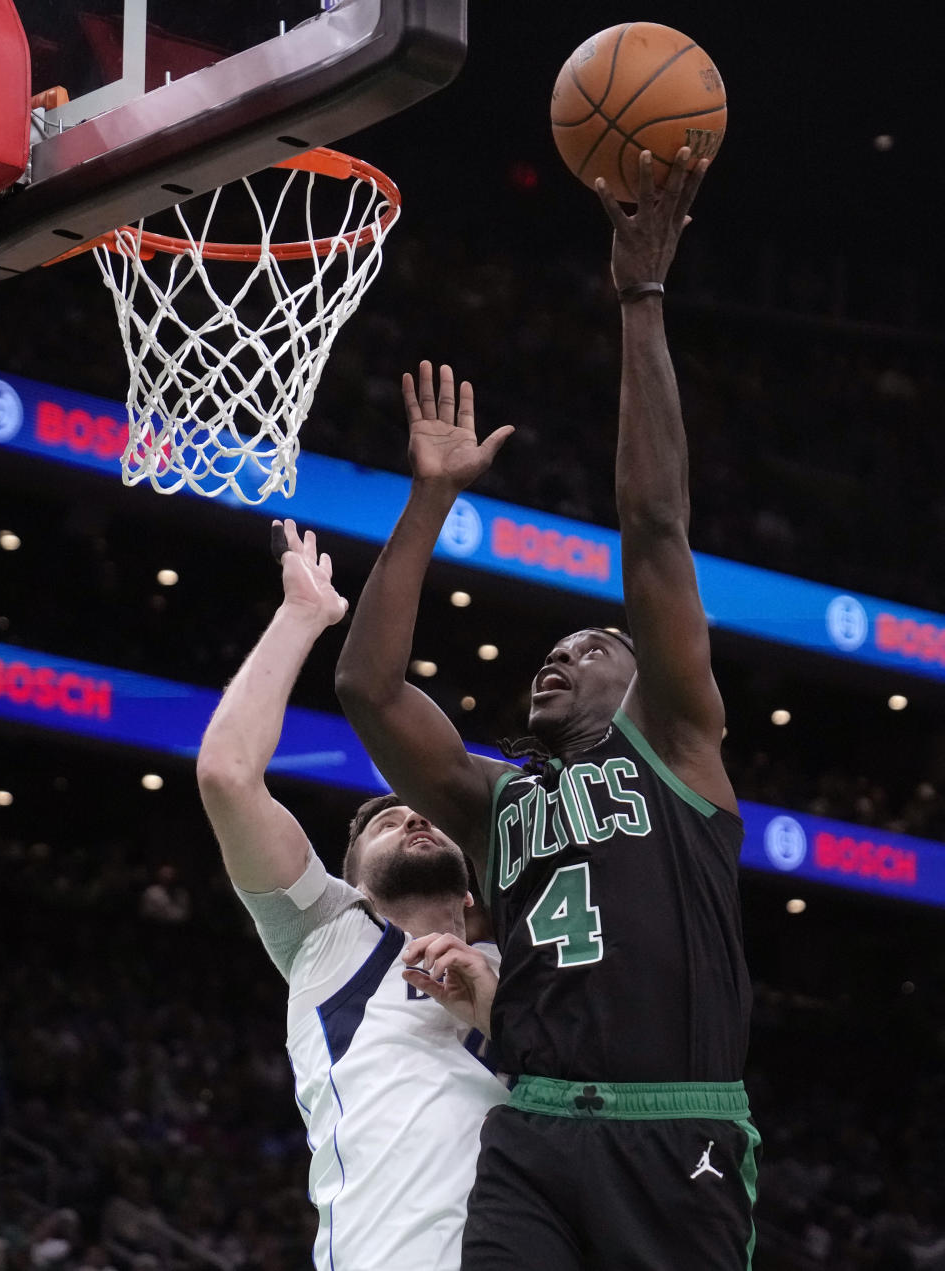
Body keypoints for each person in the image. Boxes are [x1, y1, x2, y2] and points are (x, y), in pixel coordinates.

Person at [335, 147, 759, 1270]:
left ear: (644, 676)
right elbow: (365, 689)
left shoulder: (675, 746)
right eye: (552, 648)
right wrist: (427, 501)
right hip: (532, 1122)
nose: (559, 656)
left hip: (675, 1130)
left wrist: (639, 297)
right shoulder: (495, 803)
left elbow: (655, 527)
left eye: (593, 645)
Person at [196, 522, 506, 1271]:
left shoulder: (532, 957)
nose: (412, 814)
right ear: (352, 877)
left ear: (474, 878)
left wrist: (497, 1010)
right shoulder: (325, 933)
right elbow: (228, 773)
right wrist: (301, 615)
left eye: (423, 814)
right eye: (387, 821)